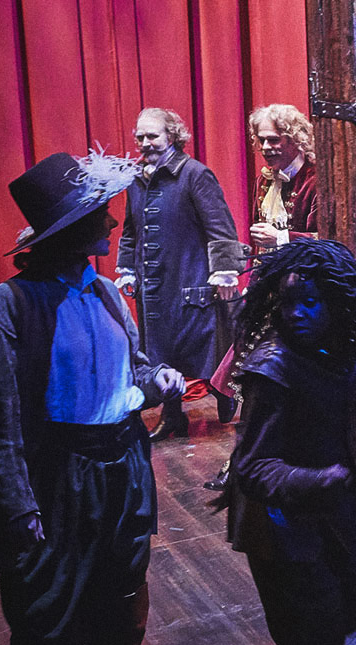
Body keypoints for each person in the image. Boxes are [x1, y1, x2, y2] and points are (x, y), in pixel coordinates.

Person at [0, 151, 187, 645]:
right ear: (68, 230)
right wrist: (18, 506)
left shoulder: (107, 293)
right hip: (56, 480)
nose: (112, 222)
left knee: (123, 609)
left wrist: (156, 380)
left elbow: (131, 372)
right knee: (48, 615)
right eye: (99, 215)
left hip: (123, 473)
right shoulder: (2, 312)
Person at [221, 239, 356, 645]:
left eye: (309, 301)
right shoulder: (272, 368)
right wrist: (321, 478)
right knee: (308, 629)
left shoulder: (343, 347)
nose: (296, 313)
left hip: (343, 496)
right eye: (288, 302)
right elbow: (254, 468)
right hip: (286, 517)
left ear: (336, 303)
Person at [117, 108, 243, 439]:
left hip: (191, 280)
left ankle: (224, 392)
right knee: (159, 353)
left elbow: (220, 227)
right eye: (140, 137)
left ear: (172, 136)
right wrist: (127, 268)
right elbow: (131, 231)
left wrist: (225, 270)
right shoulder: (137, 179)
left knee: (207, 347)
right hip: (154, 286)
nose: (145, 142)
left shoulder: (195, 174)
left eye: (153, 135)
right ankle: (172, 415)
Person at [248, 103, 321, 252]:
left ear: (295, 140)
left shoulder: (315, 181)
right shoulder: (263, 180)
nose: (265, 147)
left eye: (273, 140)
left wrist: (281, 238)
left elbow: (328, 241)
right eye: (261, 140)